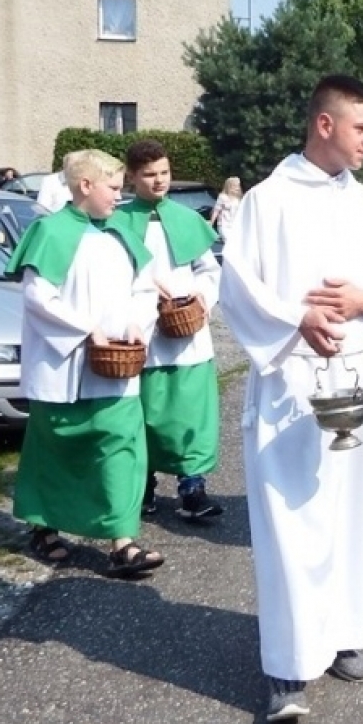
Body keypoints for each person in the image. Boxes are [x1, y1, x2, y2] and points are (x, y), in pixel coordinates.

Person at [217, 74, 363, 724]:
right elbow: (236, 287)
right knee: (289, 518)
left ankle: (343, 636)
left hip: (354, 377)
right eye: (362, 127)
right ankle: (286, 665)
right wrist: (292, 320)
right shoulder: (266, 201)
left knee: (349, 508)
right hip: (290, 382)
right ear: (324, 126)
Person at [6, 149, 163, 578]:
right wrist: (84, 329)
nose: (120, 194)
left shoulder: (121, 232)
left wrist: (136, 323)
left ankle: (123, 542)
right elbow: (39, 297)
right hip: (65, 368)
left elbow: (145, 289)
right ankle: (45, 527)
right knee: (56, 452)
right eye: (113, 187)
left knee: (123, 448)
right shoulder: (50, 231)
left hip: (117, 367)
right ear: (85, 186)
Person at [110, 138, 224, 524]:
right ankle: (142, 485)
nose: (159, 182)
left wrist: (202, 296)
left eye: (164, 173)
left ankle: (192, 487)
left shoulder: (187, 218)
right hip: (140, 334)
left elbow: (210, 270)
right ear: (131, 177)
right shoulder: (118, 221)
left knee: (190, 412)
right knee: (142, 412)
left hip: (187, 334)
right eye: (149, 175)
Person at [208, 176, 243, 246]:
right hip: (224, 225)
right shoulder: (223, 197)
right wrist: (211, 223)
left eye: (238, 186)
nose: (237, 188)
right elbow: (216, 211)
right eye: (235, 186)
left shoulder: (238, 198)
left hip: (235, 225)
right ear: (229, 187)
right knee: (229, 243)